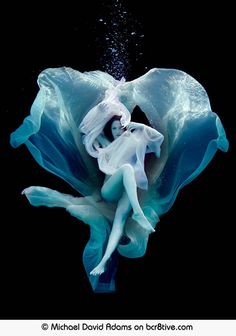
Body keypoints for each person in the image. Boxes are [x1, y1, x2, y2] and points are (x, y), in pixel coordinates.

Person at [80, 113, 164, 276]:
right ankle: (138, 213)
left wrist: (142, 127)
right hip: (109, 190)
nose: (118, 131)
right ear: (109, 130)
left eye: (121, 127)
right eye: (114, 128)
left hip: (127, 189)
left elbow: (157, 145)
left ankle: (104, 261)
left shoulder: (133, 141)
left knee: (120, 221)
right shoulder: (106, 143)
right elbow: (86, 132)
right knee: (127, 168)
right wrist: (109, 104)